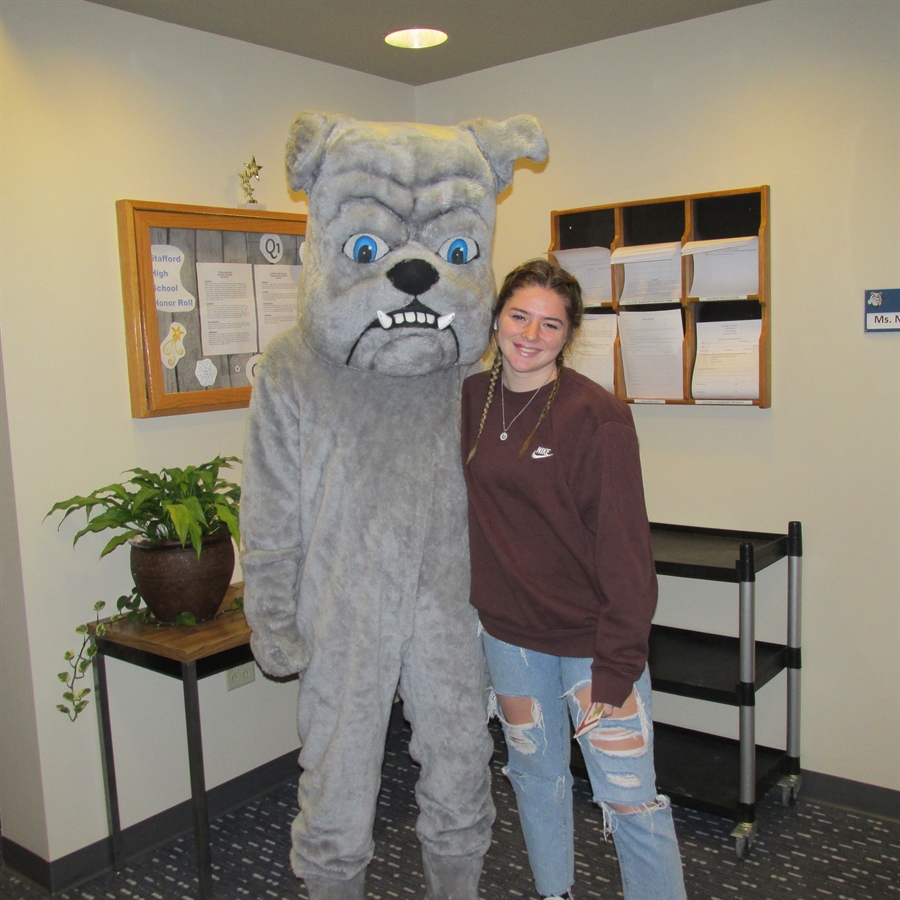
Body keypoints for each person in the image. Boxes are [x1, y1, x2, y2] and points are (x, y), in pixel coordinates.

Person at [461, 258, 687, 900]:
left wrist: (619, 663)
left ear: (569, 335)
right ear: (497, 317)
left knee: (629, 798)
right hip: (509, 640)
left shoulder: (598, 416)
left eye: (551, 324)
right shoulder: (470, 401)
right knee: (534, 778)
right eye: (519, 316)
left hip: (593, 646)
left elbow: (628, 556)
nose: (530, 334)